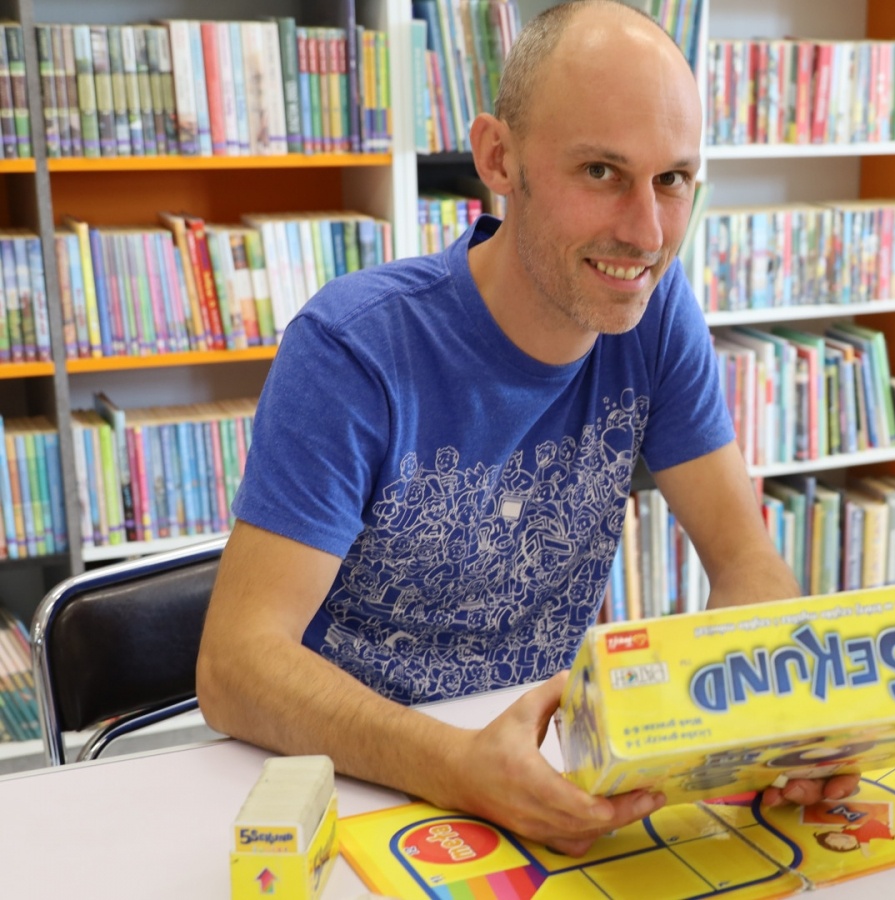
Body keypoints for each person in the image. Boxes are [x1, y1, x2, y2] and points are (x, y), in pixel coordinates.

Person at [195, 0, 853, 857]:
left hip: (545, 779)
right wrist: (460, 767)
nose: (647, 233)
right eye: (601, 172)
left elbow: (746, 560)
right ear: (498, 158)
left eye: (674, 180)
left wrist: (787, 721)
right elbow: (235, 667)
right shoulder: (353, 347)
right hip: (356, 788)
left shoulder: (655, 315)